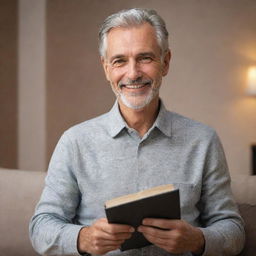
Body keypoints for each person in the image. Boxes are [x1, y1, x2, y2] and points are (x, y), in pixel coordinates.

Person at [29, 8, 245, 256]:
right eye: (120, 60)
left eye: (145, 58)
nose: (132, 74)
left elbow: (234, 231)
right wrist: (83, 238)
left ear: (165, 63)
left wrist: (198, 240)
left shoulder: (203, 141)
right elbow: (40, 227)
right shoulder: (75, 142)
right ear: (106, 68)